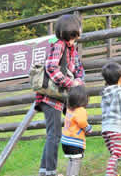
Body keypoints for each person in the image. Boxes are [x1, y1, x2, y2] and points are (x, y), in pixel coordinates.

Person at [35, 15, 85, 176]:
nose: (73, 40)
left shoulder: (72, 49)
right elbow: (50, 67)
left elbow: (79, 68)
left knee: (54, 134)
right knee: (54, 135)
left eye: (75, 36)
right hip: (50, 98)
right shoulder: (60, 45)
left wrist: (78, 80)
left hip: (59, 98)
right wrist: (70, 84)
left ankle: (44, 171)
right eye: (72, 36)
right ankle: (50, 172)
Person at [61, 85, 92, 176]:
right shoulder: (80, 110)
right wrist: (88, 128)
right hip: (75, 142)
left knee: (71, 161)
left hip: (65, 142)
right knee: (76, 162)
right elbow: (82, 122)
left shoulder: (69, 109)